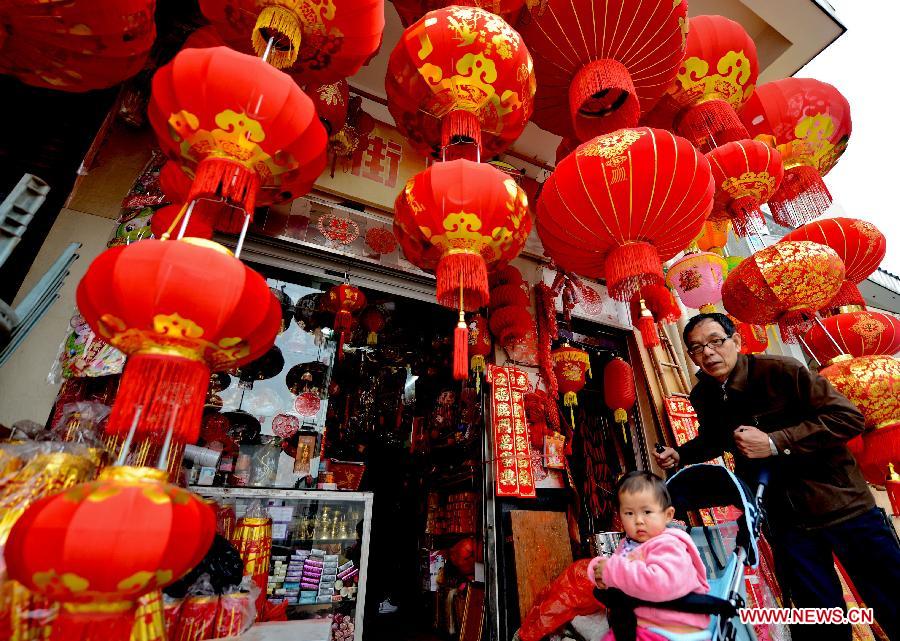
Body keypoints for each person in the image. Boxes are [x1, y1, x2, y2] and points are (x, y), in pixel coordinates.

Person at [653, 312, 900, 641]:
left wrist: (774, 442)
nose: (708, 353)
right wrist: (681, 454)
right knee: (817, 617)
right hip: (785, 519)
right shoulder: (704, 395)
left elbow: (847, 418)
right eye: (697, 348)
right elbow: (714, 438)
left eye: (716, 342)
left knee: (891, 597)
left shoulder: (783, 372)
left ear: (737, 341)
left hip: (842, 504)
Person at [587, 471, 711, 640]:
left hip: (673, 628)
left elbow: (661, 583)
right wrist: (600, 573)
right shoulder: (629, 544)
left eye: (647, 512)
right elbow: (621, 572)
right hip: (644, 624)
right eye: (629, 513)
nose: (638, 520)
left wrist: (612, 571)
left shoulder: (670, 545)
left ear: (667, 515)